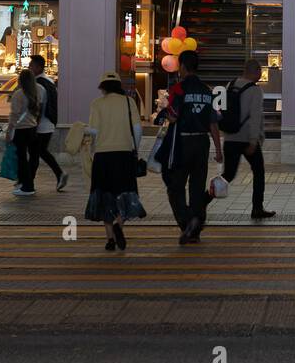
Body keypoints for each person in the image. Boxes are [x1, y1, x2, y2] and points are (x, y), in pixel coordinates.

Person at [160, 50, 224, 244]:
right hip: (202, 143)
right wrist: (218, 150)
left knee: (175, 186)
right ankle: (195, 227)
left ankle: (187, 223)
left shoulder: (178, 89)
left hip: (182, 143)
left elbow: (173, 117)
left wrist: (163, 111)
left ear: (183, 67)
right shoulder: (207, 91)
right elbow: (213, 123)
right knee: (197, 187)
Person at [84, 71, 146, 251]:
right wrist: (135, 148)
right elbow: (137, 128)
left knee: (104, 197)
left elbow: (94, 131)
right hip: (124, 155)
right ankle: (120, 224)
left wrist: (85, 132)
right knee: (125, 194)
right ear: (119, 86)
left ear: (102, 87)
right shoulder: (129, 102)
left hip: (103, 157)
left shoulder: (97, 104)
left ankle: (110, 239)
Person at [214, 59, 274, 220]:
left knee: (228, 174)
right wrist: (254, 140)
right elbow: (255, 117)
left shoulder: (229, 85)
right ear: (254, 72)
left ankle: (204, 200)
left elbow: (220, 110)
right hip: (247, 138)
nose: (260, 75)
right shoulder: (255, 91)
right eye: (259, 71)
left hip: (230, 138)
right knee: (259, 172)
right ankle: (257, 208)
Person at [28, 54, 66, 192]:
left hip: (41, 124)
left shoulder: (39, 84)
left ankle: (28, 183)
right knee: (39, 152)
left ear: (38, 67)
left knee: (35, 153)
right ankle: (28, 181)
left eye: (31, 66)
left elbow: (37, 107)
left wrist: (33, 124)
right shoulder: (48, 81)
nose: (29, 68)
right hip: (48, 123)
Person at [8, 67, 43, 197]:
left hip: (21, 130)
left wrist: (9, 130)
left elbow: (14, 115)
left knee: (21, 159)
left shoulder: (18, 94)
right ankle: (27, 183)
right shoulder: (36, 93)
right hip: (32, 129)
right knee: (32, 158)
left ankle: (27, 186)